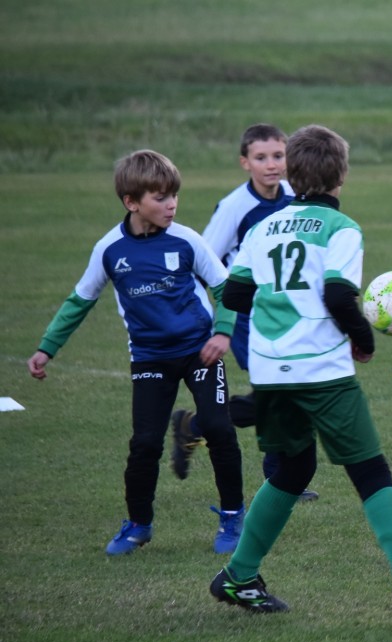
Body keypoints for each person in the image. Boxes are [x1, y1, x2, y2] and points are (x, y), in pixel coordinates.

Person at [208, 124, 392, 627]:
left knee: (292, 469)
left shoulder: (264, 228)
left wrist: (281, 296)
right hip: (321, 369)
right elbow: (336, 294)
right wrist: (364, 339)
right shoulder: (342, 229)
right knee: (370, 470)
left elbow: (235, 294)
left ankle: (238, 576)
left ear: (291, 172)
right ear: (341, 175)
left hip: (270, 369)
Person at [26, 150, 245, 556]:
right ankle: (138, 525)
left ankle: (233, 516)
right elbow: (80, 300)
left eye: (174, 195)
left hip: (200, 351)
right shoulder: (109, 249)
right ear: (131, 202)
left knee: (218, 427)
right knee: (145, 443)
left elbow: (224, 286)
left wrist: (222, 333)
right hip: (149, 358)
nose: (172, 204)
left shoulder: (186, 239)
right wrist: (46, 349)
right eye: (160, 198)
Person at [168, 123, 319, 502]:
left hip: (286, 312)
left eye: (278, 156)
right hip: (247, 315)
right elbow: (202, 261)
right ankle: (280, 479)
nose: (272, 165)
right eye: (261, 157)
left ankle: (194, 426)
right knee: (280, 389)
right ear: (245, 162)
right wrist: (203, 318)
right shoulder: (235, 207)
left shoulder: (294, 196)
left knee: (282, 391)